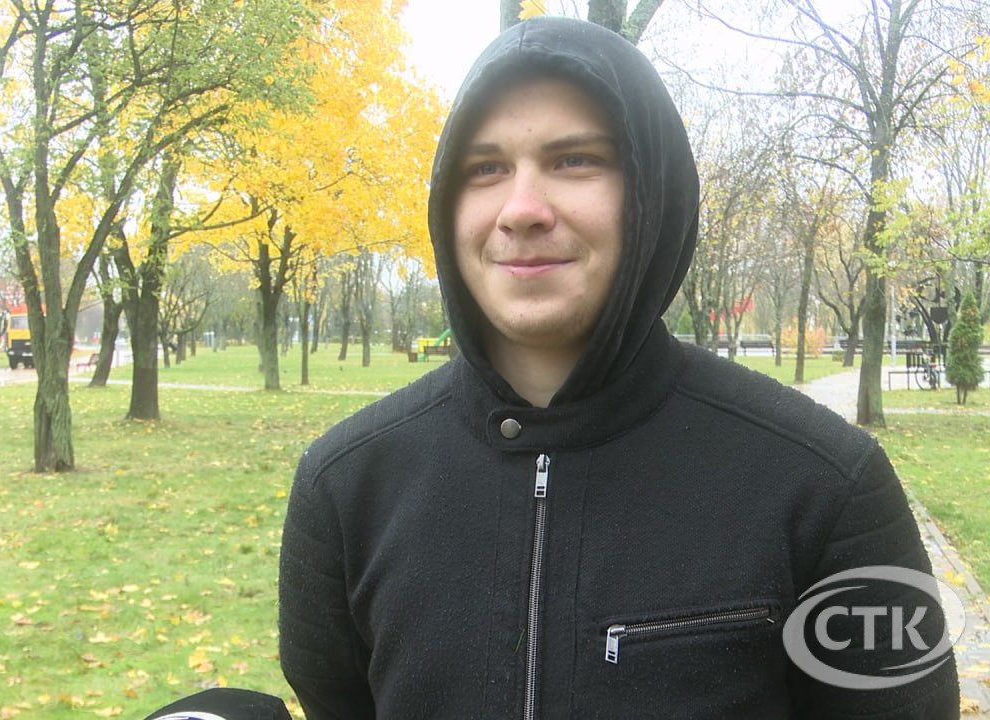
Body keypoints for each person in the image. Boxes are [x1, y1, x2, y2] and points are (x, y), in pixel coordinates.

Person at [277, 16, 960, 720]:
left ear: (651, 194)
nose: (521, 209)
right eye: (485, 169)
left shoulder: (826, 487)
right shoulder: (346, 489)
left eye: (575, 160)